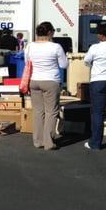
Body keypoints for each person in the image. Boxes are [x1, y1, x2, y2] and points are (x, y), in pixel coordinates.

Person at [25, 21, 68, 150]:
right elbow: (63, 65)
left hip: (34, 81)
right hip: (51, 81)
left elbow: (27, 63)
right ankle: (49, 142)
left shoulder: (30, 46)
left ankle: (38, 141)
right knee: (51, 112)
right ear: (49, 33)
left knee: (38, 111)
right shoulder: (56, 47)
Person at [83, 23, 106, 150]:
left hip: (98, 81)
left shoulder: (95, 48)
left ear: (102, 35)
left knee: (97, 113)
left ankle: (95, 143)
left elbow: (87, 61)